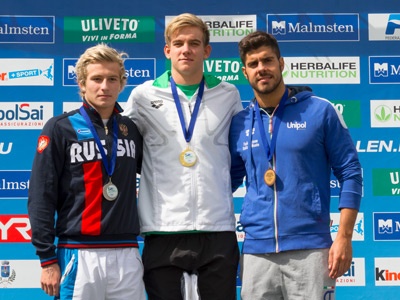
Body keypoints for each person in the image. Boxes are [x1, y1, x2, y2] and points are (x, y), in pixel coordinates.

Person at [229, 31, 363, 300]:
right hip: (257, 251)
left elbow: (350, 173)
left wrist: (344, 237)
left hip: (311, 249)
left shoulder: (319, 110)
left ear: (281, 63)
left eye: (267, 61)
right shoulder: (240, 123)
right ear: (245, 72)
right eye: (253, 64)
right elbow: (224, 182)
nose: (261, 69)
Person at [123, 13, 242, 300]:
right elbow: (126, 152)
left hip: (217, 227)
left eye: (194, 43)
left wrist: (218, 185)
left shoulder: (228, 94)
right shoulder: (142, 95)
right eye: (178, 43)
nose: (185, 49)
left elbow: (238, 157)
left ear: (207, 50)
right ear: (167, 50)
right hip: (163, 228)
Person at [28, 43, 145, 300]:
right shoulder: (60, 127)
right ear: (82, 84)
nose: (104, 86)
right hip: (78, 252)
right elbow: (41, 195)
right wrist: (47, 259)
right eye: (96, 79)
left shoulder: (131, 129)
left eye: (112, 79)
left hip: (127, 251)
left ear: (121, 83)